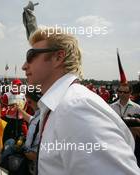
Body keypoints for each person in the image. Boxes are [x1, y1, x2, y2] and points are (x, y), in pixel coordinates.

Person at [22, 27, 140, 174]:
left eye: (31, 55)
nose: (24, 66)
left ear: (58, 57)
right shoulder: (64, 105)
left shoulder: (75, 108)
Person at [1, 79, 27, 144]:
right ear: (12, 86)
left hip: (19, 121)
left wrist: (22, 113)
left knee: (18, 138)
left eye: (19, 85)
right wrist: (11, 110)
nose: (17, 87)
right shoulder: (6, 95)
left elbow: (25, 106)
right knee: (7, 138)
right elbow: (3, 109)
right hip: (10, 120)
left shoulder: (23, 96)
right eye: (16, 85)